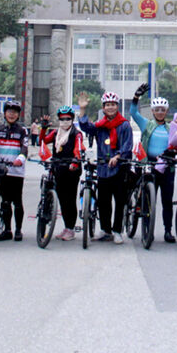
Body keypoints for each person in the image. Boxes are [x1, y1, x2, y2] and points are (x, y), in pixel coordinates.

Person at [77, 91, 133, 244]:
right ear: (103, 107)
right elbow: (85, 127)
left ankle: (117, 231)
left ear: (117, 106)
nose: (110, 107)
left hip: (120, 167)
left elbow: (128, 145)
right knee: (103, 201)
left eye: (113, 104)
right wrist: (82, 109)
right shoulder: (100, 125)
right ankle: (105, 230)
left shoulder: (124, 125)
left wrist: (118, 156)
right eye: (107, 105)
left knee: (119, 201)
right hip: (103, 167)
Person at [130, 83, 177, 243]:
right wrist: (136, 97)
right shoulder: (147, 124)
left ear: (167, 111)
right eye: (157, 110)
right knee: (149, 200)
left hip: (167, 166)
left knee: (167, 201)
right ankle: (147, 228)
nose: (160, 112)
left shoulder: (171, 127)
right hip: (149, 165)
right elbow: (133, 113)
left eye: (163, 110)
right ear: (152, 111)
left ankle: (168, 230)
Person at [42, 105, 85, 241]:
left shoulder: (77, 134)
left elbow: (79, 149)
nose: (65, 121)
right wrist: (43, 128)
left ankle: (70, 229)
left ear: (72, 119)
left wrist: (75, 161)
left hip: (71, 170)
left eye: (67, 119)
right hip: (58, 169)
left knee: (70, 200)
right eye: (62, 119)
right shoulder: (56, 133)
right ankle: (66, 227)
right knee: (61, 199)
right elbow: (43, 141)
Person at [0, 99, 29, 241]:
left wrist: (20, 159)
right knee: (5, 202)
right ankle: (7, 230)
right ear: (4, 113)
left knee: (17, 202)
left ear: (18, 114)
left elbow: (24, 148)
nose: (12, 114)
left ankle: (18, 230)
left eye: (15, 112)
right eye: (9, 111)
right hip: (2, 170)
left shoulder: (22, 131)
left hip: (16, 171)